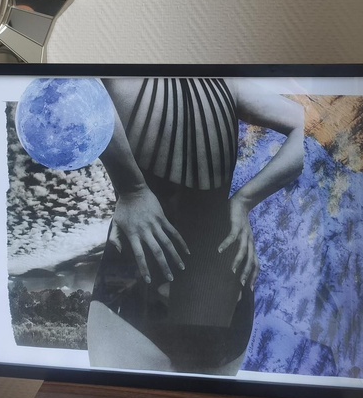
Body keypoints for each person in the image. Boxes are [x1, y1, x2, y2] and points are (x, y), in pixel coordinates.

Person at [87, 77, 304, 376]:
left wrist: (133, 187)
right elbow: (302, 125)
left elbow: (80, 92)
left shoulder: (115, 75)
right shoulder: (229, 84)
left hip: (142, 275)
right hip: (225, 294)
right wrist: (244, 200)